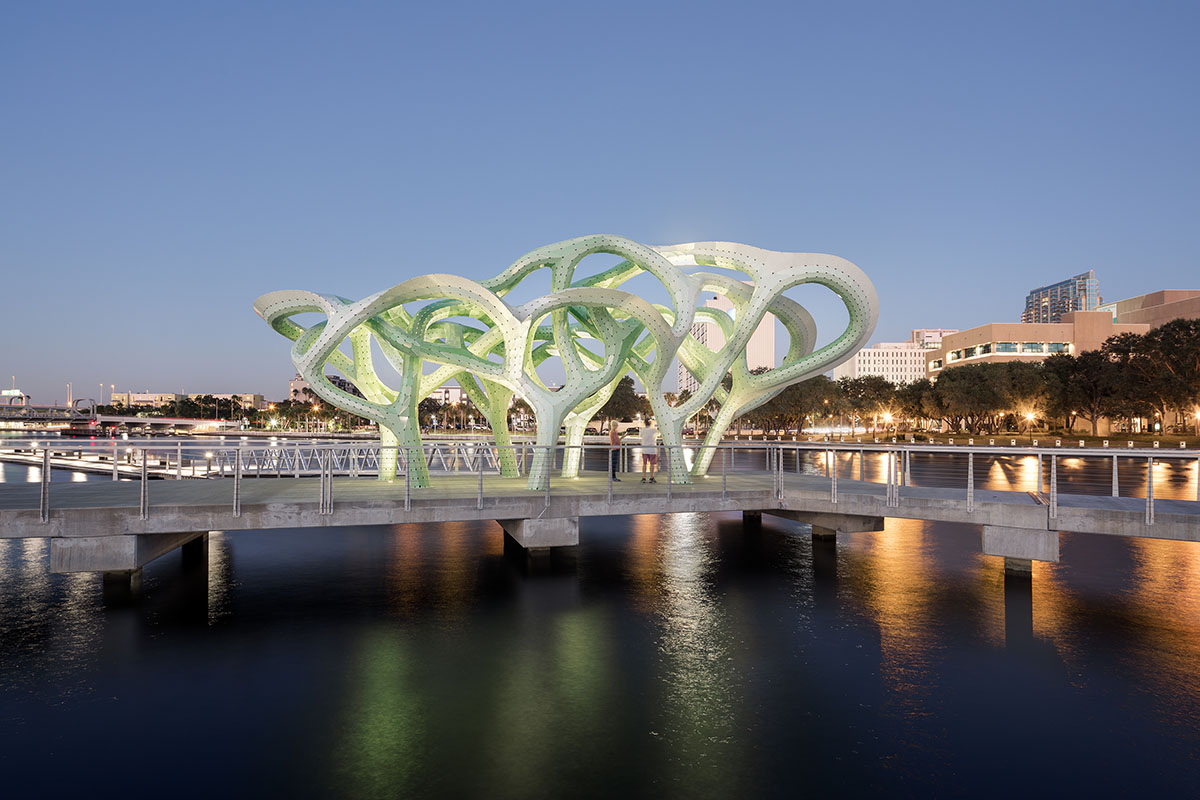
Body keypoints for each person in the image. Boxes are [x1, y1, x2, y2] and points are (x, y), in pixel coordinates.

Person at [640, 419, 659, 483]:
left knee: (644, 464)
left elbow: (640, 436)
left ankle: (644, 477)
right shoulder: (654, 430)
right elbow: (658, 434)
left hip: (644, 449)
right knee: (652, 464)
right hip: (652, 449)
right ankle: (651, 477)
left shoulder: (642, 430)